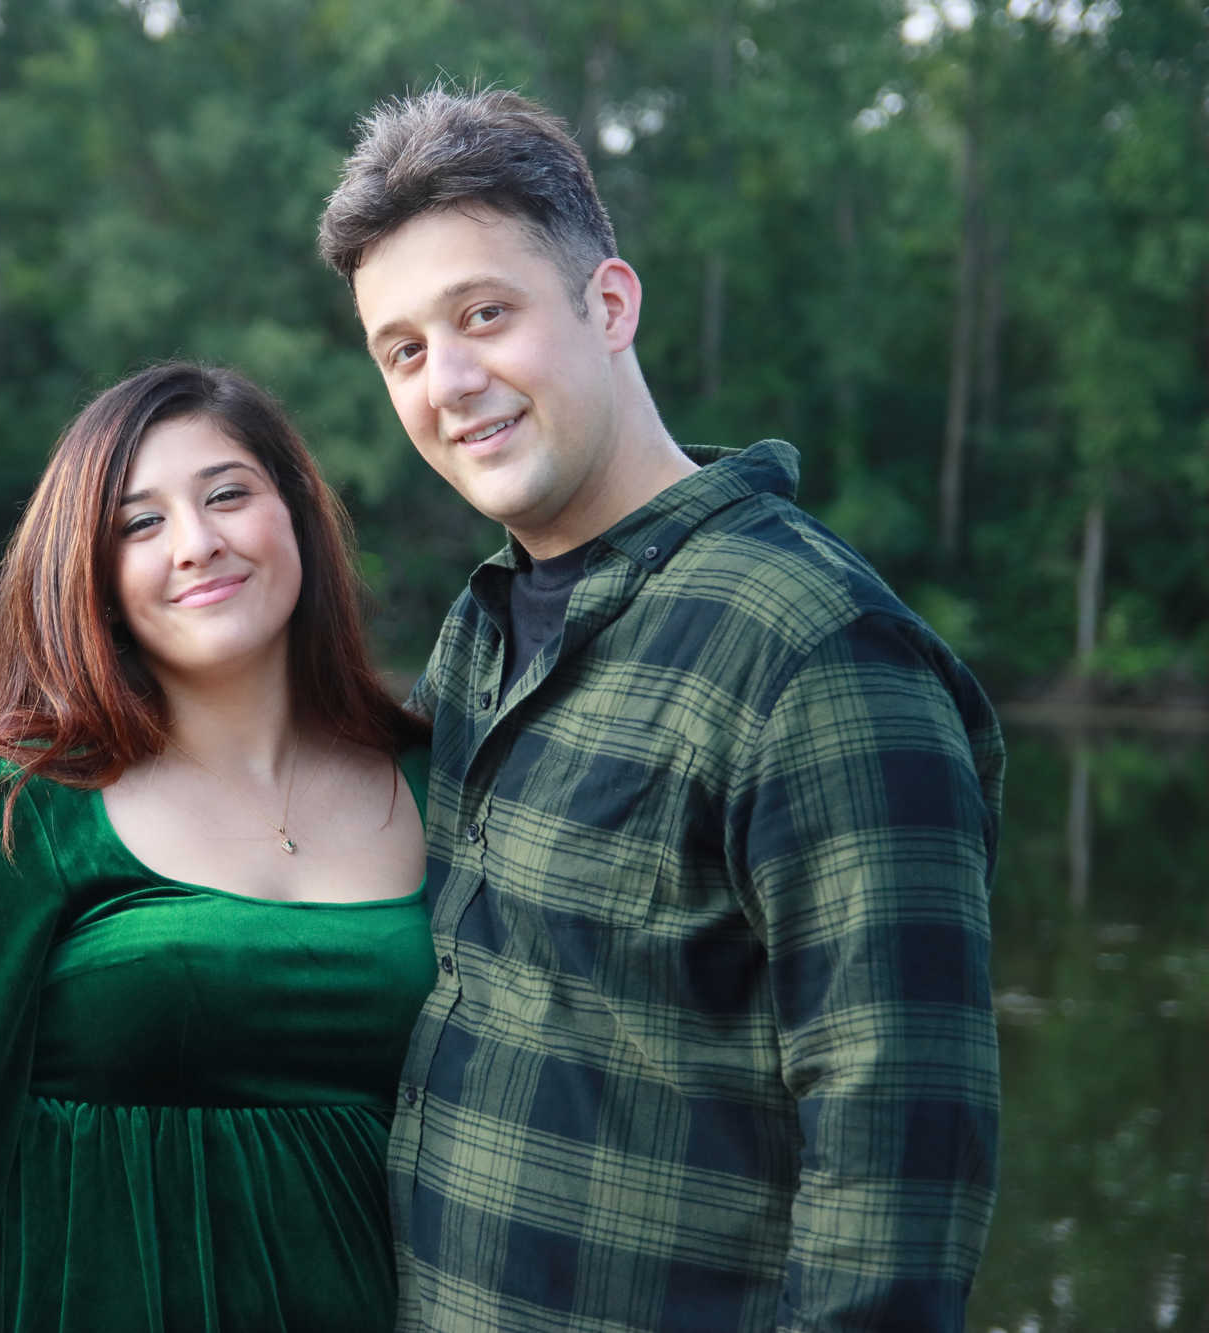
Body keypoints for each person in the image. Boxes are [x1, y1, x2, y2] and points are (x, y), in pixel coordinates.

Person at [318, 89, 1004, 1331]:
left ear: (609, 304)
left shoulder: (814, 649)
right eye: (402, 349)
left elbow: (894, 1184)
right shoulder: (479, 632)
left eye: (484, 314)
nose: (449, 381)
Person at [0, 362, 437, 1332]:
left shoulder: (442, 785)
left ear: (298, 515)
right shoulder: (11, 809)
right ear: (93, 576)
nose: (196, 544)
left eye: (227, 494)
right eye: (138, 524)